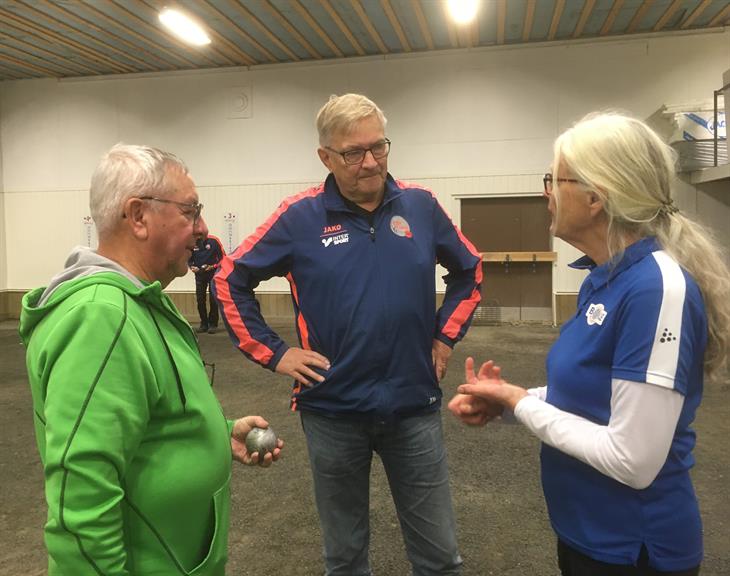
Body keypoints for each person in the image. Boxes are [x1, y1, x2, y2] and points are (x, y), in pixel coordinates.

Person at [449, 112, 730, 576]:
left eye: (553, 180)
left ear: (596, 197)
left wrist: (521, 403)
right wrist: (506, 400)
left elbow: (633, 460)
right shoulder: (604, 277)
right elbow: (595, 395)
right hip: (586, 534)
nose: (547, 193)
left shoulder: (655, 289)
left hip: (634, 550)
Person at [214, 93, 482, 576]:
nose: (371, 162)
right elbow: (229, 278)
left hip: (413, 404)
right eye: (353, 153)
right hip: (332, 410)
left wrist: (444, 337)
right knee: (344, 558)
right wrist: (276, 353)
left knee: (440, 558)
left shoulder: (420, 206)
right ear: (326, 157)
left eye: (378, 147)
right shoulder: (299, 216)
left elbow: (471, 270)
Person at [19, 143, 283, 576]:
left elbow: (144, 420)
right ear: (138, 216)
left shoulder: (136, 304)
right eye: (190, 211)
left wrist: (216, 434)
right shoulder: (101, 317)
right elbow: (81, 500)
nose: (202, 228)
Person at [189, 233, 225, 333]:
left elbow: (223, 258)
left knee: (213, 299)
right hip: (199, 274)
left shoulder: (214, 240)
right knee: (200, 299)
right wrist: (191, 266)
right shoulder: (192, 241)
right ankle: (203, 323)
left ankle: (213, 324)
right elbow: (188, 258)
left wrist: (213, 266)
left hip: (213, 273)